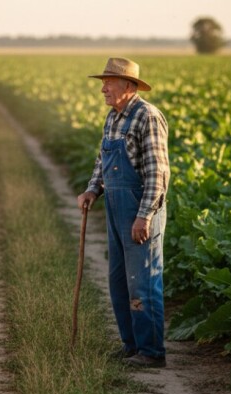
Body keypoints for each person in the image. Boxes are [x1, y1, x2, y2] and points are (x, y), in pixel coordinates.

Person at [77, 57, 169, 368]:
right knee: (118, 280)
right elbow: (102, 161)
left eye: (109, 82)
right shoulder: (113, 118)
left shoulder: (148, 117)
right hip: (117, 210)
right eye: (103, 81)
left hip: (140, 211)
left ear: (128, 86)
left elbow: (157, 174)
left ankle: (151, 351)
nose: (103, 88)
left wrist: (144, 217)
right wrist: (93, 189)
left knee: (142, 280)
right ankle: (131, 345)